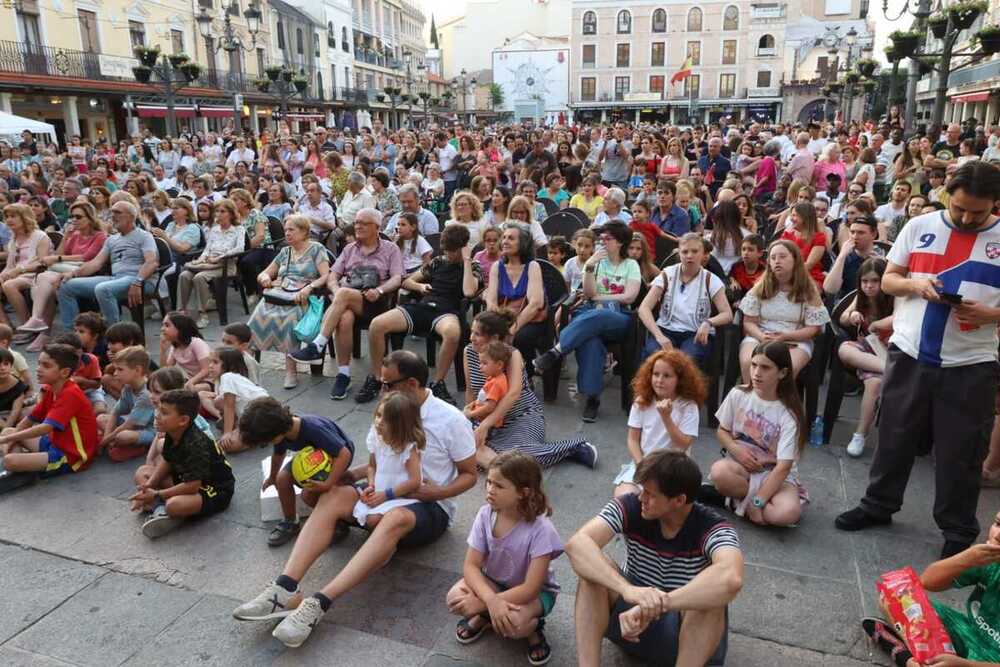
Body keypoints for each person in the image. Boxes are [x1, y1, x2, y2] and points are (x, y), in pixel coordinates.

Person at [232, 351, 477, 649]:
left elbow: (469, 475)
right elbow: (380, 461)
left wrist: (434, 492)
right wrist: (350, 476)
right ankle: (284, 589)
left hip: (429, 507)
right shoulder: (387, 410)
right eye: (380, 383)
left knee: (396, 518)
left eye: (387, 385)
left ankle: (319, 603)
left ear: (412, 383)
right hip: (385, 493)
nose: (381, 390)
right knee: (334, 494)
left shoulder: (451, 420)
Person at [835, 161, 1000, 559]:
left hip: (970, 363)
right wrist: (915, 284)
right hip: (910, 352)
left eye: (977, 212)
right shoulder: (920, 226)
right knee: (894, 434)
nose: (965, 218)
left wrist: (993, 314)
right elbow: (889, 280)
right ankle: (878, 504)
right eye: (959, 207)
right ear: (949, 197)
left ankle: (958, 529)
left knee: (961, 450)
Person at [567, 450, 743, 667]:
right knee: (591, 574)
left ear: (679, 500)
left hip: (683, 637)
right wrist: (627, 589)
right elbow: (577, 544)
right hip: (629, 622)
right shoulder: (631, 505)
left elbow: (731, 579)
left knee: (711, 600)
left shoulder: (713, 527)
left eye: (650, 494)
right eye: (642, 490)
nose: (641, 497)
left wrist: (661, 604)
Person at [446, 451, 563, 665]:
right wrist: (490, 600)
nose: (490, 489)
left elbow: (531, 588)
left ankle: (533, 629)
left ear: (523, 492)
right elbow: (471, 566)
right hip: (494, 582)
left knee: (515, 625)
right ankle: (487, 615)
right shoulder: (485, 514)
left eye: (499, 486)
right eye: (488, 482)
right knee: (454, 596)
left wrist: (482, 602)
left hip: (535, 594)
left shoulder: (541, 530)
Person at [360, 224, 481, 405]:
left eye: (453, 252)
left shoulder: (473, 266)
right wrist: (420, 286)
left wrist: (466, 261)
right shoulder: (438, 262)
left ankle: (438, 383)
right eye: (446, 250)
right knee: (377, 324)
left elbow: (469, 291)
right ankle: (377, 379)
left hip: (447, 311)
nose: (449, 255)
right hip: (423, 305)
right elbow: (407, 282)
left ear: (463, 247)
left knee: (453, 333)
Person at [533, 221, 641, 423]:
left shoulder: (630, 265)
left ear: (620, 243)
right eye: (601, 239)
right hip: (591, 312)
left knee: (597, 317)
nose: (602, 243)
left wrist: (602, 298)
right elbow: (589, 293)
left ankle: (556, 351)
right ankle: (592, 398)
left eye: (607, 239)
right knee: (590, 341)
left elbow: (629, 297)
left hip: (619, 317)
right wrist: (589, 267)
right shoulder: (596, 262)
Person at [289, 209, 403, 400]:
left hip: (376, 302)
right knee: (344, 318)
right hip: (348, 300)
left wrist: (380, 291)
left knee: (343, 296)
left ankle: (318, 344)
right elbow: (333, 275)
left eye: (363, 223)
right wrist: (335, 291)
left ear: (377, 227)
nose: (357, 226)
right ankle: (344, 374)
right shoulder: (350, 249)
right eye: (356, 222)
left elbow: (398, 277)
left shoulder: (390, 249)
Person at [709, 341, 806, 526]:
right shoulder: (738, 394)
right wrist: (736, 451)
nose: (756, 373)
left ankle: (736, 501)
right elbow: (723, 431)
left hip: (775, 475)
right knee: (719, 472)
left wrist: (757, 502)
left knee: (787, 514)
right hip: (742, 468)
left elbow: (783, 467)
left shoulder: (789, 414)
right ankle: (748, 501)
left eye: (765, 367)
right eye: (754, 365)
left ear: (783, 373)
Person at [238, 396, 355, 547]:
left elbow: (344, 454)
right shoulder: (282, 432)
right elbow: (278, 454)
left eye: (266, 441)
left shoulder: (313, 429)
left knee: (308, 495)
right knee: (282, 478)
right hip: (311, 457)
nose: (266, 444)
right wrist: (272, 477)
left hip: (336, 456)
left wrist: (328, 483)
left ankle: (339, 522)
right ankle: (290, 521)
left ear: (275, 433)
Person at [127, 389, 234, 539]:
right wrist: (149, 485)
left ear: (183, 420)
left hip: (213, 489)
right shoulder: (173, 431)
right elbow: (167, 460)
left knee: (174, 505)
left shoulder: (196, 443)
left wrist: (157, 494)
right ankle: (161, 509)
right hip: (187, 477)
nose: (157, 415)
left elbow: (193, 486)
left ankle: (167, 510)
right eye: (158, 409)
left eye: (164, 412)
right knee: (142, 473)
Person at [0, 344, 99, 481]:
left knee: (10, 459)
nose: (38, 369)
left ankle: (18, 467)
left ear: (64, 372)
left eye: (46, 366)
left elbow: (45, 428)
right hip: (53, 443)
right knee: (8, 432)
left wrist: (6, 441)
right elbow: (30, 419)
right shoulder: (50, 388)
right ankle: (21, 468)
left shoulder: (71, 394)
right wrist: (9, 439)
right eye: (39, 364)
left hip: (71, 456)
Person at [614, 350, 706, 498]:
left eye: (667, 376)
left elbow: (683, 445)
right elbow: (633, 439)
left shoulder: (688, 406)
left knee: (662, 502)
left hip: (673, 468)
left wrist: (666, 417)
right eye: (656, 374)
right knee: (623, 497)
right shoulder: (642, 401)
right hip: (644, 463)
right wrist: (640, 464)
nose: (659, 380)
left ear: (679, 379)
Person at [16, 201, 107, 347]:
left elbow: (87, 257)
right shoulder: (75, 235)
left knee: (46, 281)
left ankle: (43, 329)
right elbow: (60, 253)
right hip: (63, 272)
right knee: (46, 280)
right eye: (72, 217)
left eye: (78, 217)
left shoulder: (100, 236)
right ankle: (40, 325)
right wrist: (65, 238)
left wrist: (57, 258)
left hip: (85, 272)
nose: (74, 220)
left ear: (90, 218)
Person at [56, 200, 157, 329]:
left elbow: (152, 262)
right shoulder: (112, 239)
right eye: (112, 212)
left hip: (138, 278)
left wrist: (138, 281)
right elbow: (96, 263)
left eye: (118, 212)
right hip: (116, 278)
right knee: (66, 286)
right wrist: (73, 273)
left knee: (103, 289)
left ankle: (114, 335)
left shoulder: (144, 236)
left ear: (131, 217)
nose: (113, 216)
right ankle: (72, 336)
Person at [739, 239, 829, 381]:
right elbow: (749, 322)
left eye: (782, 257)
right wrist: (762, 337)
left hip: (795, 339)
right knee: (748, 362)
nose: (777, 261)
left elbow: (813, 329)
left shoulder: (808, 290)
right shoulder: (760, 287)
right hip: (761, 336)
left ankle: (779, 401)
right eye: (773, 258)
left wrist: (785, 337)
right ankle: (752, 399)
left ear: (795, 260)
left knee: (786, 368)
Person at [638, 232, 733, 363]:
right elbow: (644, 308)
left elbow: (727, 314)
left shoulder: (710, 279)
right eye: (685, 252)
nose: (690, 256)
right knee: (655, 356)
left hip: (694, 333)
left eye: (695, 251)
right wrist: (659, 336)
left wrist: (708, 322)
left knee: (686, 361)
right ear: (679, 253)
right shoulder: (667, 275)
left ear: (703, 254)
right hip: (666, 330)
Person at [352, 391, 425, 528]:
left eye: (386, 420)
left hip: (401, 495)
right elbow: (372, 466)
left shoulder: (408, 447)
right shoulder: (376, 437)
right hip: (381, 490)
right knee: (363, 514)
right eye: (378, 415)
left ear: (400, 424)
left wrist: (387, 495)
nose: (379, 422)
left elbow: (415, 481)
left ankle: (388, 541)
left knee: (373, 519)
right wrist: (371, 486)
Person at [483, 224, 547, 372]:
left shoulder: (532, 266)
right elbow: (491, 301)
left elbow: (535, 304)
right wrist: (495, 324)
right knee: (483, 332)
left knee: (520, 337)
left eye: (511, 238)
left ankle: (526, 375)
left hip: (530, 318)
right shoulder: (497, 267)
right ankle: (492, 374)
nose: (504, 241)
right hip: (505, 316)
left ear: (523, 243)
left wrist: (512, 330)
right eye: (504, 237)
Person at [176, 199, 246, 329]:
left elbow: (240, 248)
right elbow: (207, 249)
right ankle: (181, 311)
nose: (218, 214)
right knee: (184, 275)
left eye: (222, 211)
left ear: (231, 214)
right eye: (217, 211)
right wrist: (201, 259)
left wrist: (220, 257)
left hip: (226, 266)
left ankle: (202, 314)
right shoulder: (214, 230)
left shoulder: (238, 229)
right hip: (208, 263)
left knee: (199, 277)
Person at [198, 346, 267, 454]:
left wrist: (227, 432)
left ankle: (260, 437)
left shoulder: (228, 377)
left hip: (261, 416)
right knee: (218, 400)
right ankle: (250, 433)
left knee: (228, 445)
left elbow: (229, 406)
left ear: (229, 366)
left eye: (215, 362)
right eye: (210, 362)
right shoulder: (222, 379)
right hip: (250, 417)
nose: (210, 366)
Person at [97, 346, 154, 463]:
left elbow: (128, 426)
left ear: (138, 370)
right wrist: (106, 439)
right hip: (135, 425)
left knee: (122, 436)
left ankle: (140, 447)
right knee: (101, 418)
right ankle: (117, 445)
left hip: (151, 430)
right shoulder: (128, 387)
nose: (115, 373)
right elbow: (115, 413)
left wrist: (103, 442)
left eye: (120, 369)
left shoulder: (146, 394)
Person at [0, 203, 52, 328]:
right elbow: (10, 265)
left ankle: (26, 324)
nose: (9, 220)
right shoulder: (14, 239)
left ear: (24, 217)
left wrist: (20, 269)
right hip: (18, 274)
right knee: (4, 281)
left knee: (9, 285)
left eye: (13, 216)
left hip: (37, 274)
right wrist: (2, 275)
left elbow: (42, 262)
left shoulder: (40, 236)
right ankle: (6, 326)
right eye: (7, 217)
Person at [823, 214, 883, 300]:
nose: (855, 236)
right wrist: (841, 257)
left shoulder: (882, 256)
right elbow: (829, 290)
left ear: (873, 234)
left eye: (861, 233)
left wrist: (882, 265)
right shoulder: (845, 258)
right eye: (852, 232)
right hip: (846, 306)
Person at [463, 340, 511, 427]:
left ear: (499, 365)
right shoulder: (493, 378)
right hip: (480, 419)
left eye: (484, 363)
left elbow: (489, 407)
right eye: (480, 362)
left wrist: (470, 414)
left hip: (485, 423)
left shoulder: (496, 383)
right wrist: (472, 404)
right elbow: (482, 400)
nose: (480, 366)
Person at [780, 202, 827, 287]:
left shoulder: (818, 238)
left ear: (805, 217)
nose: (791, 218)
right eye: (791, 215)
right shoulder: (787, 235)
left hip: (809, 276)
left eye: (795, 215)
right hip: (786, 274)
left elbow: (809, 265)